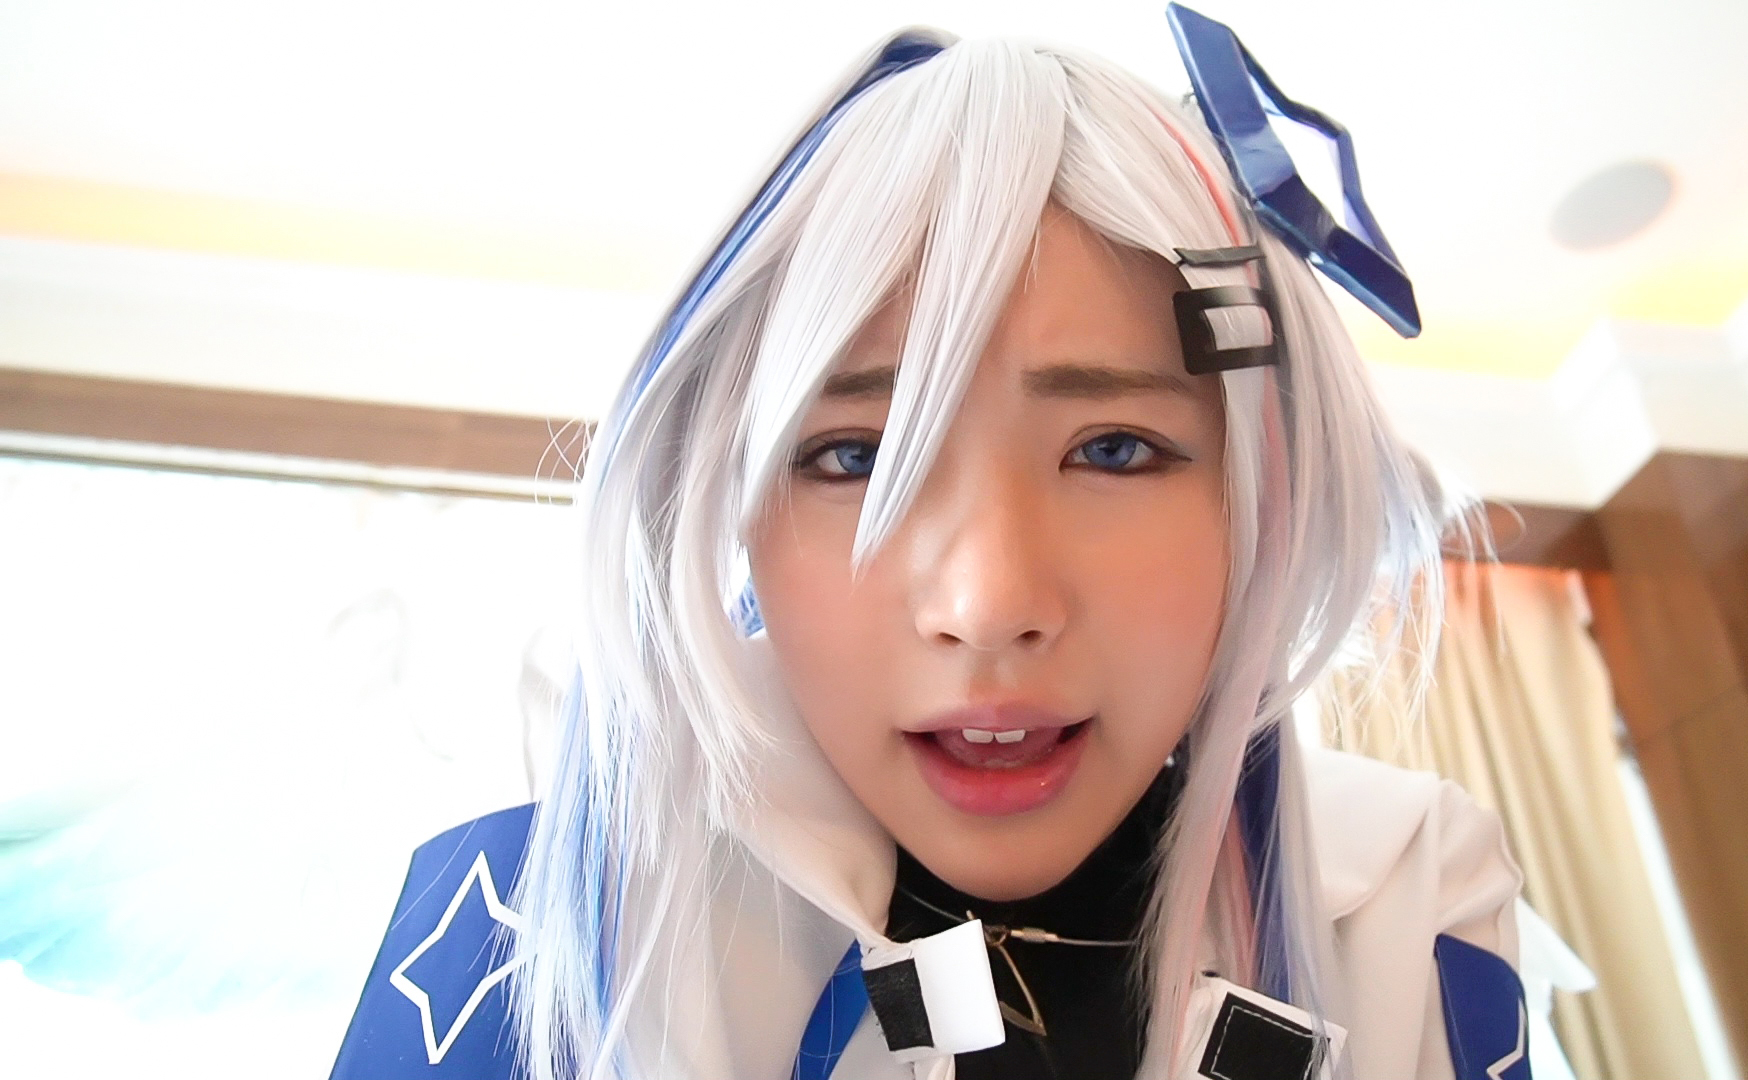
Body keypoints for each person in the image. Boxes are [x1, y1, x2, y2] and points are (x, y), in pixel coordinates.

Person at [329, 8, 1530, 1080]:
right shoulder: (537, 923)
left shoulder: (1409, 906)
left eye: (1114, 450)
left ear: (1261, 493)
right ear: (727, 505)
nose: (989, 603)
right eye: (854, 458)